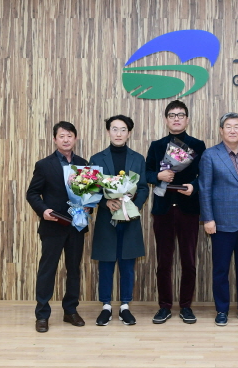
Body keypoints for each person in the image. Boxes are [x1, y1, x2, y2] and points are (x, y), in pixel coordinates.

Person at [199, 113, 238, 327]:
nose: (233, 130)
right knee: (221, 269)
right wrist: (208, 219)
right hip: (221, 221)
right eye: (228, 126)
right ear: (221, 130)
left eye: (237, 126)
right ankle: (222, 310)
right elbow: (205, 189)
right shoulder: (210, 155)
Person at [145, 100, 206, 324]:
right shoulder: (157, 145)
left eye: (180, 115)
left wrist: (194, 187)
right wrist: (157, 176)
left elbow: (205, 175)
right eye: (172, 115)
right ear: (166, 119)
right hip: (163, 210)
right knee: (164, 262)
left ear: (187, 119)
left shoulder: (198, 145)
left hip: (188, 209)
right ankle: (164, 306)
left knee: (188, 261)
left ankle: (186, 306)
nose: (176, 119)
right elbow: (146, 173)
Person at [26, 121, 88, 333]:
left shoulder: (83, 164)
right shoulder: (44, 165)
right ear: (55, 139)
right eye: (62, 136)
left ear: (75, 138)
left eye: (69, 135)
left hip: (76, 226)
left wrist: (88, 206)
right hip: (53, 225)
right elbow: (32, 193)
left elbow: (88, 194)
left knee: (74, 270)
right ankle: (42, 315)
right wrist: (43, 210)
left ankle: (70, 311)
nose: (66, 139)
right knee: (48, 270)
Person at [89, 115, 149, 326]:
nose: (118, 133)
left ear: (129, 133)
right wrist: (106, 202)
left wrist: (132, 205)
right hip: (106, 219)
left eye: (123, 130)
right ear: (108, 132)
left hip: (129, 218)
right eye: (114, 129)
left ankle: (125, 306)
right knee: (106, 263)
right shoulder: (97, 159)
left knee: (127, 263)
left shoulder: (138, 158)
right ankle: (106, 306)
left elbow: (143, 188)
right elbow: (91, 189)